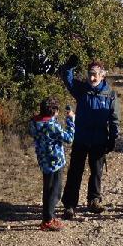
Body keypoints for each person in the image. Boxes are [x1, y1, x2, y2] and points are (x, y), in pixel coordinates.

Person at [60, 56, 119, 219]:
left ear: (102, 75)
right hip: (81, 138)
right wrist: (69, 67)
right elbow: (67, 79)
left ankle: (94, 200)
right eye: (90, 74)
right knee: (75, 173)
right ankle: (70, 205)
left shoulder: (110, 94)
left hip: (99, 139)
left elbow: (114, 119)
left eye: (95, 74)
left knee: (96, 172)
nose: (92, 77)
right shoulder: (81, 89)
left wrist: (113, 138)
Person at [29, 96, 76, 231]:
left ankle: (48, 216)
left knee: (48, 189)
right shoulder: (52, 125)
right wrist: (70, 120)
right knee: (54, 192)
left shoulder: (34, 122)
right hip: (55, 161)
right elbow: (69, 138)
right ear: (54, 111)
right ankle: (48, 220)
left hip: (43, 160)